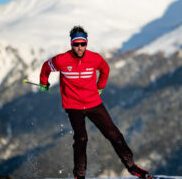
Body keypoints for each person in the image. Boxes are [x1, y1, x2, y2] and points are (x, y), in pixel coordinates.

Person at [39, 25, 152, 179]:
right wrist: (43, 82)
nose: (79, 47)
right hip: (73, 106)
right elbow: (46, 67)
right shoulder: (61, 60)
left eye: (82, 44)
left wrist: (100, 86)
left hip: (93, 103)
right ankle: (79, 175)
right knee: (81, 138)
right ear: (71, 44)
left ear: (86, 43)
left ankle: (132, 167)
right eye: (76, 44)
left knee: (114, 134)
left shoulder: (95, 58)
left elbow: (105, 69)